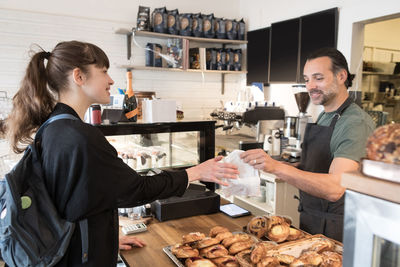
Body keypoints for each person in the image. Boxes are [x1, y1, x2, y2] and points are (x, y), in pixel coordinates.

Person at [4, 40, 239, 266]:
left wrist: (105, 241)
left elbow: (73, 204)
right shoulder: (81, 136)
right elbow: (136, 190)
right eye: (104, 71)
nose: (110, 79)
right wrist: (195, 172)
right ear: (79, 76)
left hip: (72, 253)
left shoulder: (53, 126)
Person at [241, 48, 375, 242]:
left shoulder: (355, 123)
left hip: (340, 231)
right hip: (313, 220)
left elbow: (335, 188)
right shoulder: (325, 115)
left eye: (318, 78)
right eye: (306, 79)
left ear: (341, 76)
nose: (310, 86)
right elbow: (314, 169)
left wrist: (277, 168)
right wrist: (266, 164)